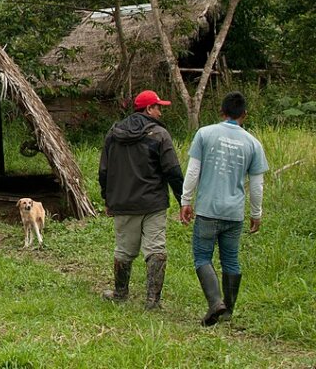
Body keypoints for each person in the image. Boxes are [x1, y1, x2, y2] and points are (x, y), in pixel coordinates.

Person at [179, 91, 269, 326]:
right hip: (234, 213)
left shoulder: (204, 134)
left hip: (208, 210)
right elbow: (257, 185)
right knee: (230, 259)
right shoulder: (253, 143)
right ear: (244, 114)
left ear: (222, 112)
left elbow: (193, 171)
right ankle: (227, 310)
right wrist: (256, 213)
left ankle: (215, 302)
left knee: (202, 257)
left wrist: (186, 201)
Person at [99, 90, 184, 310]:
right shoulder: (159, 134)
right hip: (153, 202)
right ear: (148, 109)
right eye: (158, 108)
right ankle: (152, 301)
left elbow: (104, 171)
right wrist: (183, 200)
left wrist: (107, 199)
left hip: (123, 202)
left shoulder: (113, 134)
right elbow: (172, 171)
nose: (160, 113)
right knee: (156, 249)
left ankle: (120, 293)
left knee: (123, 251)